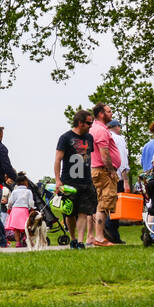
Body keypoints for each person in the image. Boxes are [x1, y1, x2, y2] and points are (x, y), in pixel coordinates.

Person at [54, 110, 97, 249]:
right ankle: (72, 238)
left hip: (86, 181)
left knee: (83, 212)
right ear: (80, 123)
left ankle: (80, 241)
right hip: (69, 181)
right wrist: (58, 180)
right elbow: (58, 159)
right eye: (89, 123)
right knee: (70, 213)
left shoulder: (89, 138)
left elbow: (88, 158)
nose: (91, 125)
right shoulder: (65, 138)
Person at [88, 103, 121, 247]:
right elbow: (104, 153)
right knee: (103, 204)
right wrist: (111, 171)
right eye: (109, 111)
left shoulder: (94, 128)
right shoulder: (100, 130)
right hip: (103, 171)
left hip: (98, 170)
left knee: (98, 204)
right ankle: (100, 238)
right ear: (101, 114)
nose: (111, 114)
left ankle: (93, 237)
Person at [4, 174, 34, 247]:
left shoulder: (14, 191)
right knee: (25, 227)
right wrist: (32, 208)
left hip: (15, 210)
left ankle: (18, 242)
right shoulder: (28, 191)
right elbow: (30, 202)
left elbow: (10, 201)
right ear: (25, 182)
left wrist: (9, 208)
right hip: (24, 210)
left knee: (16, 228)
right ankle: (24, 238)